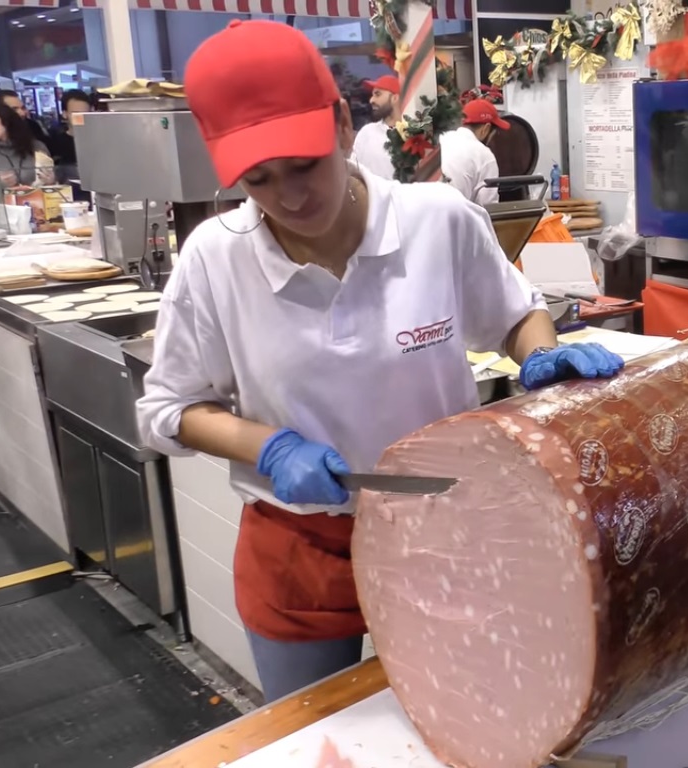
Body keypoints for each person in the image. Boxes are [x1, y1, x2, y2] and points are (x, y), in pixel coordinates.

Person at [136, 20, 624, 702]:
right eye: (259, 179)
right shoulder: (216, 258)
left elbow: (515, 315)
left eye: (303, 165)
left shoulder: (436, 220)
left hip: (445, 527)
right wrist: (270, 447)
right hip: (300, 549)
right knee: (316, 735)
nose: (290, 197)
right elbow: (168, 410)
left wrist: (541, 355)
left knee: (466, 715)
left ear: (341, 125)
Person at [0, 103, 50, 225]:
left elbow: (52, 183)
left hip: (39, 214)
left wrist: (50, 181)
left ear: (6, 119)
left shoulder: (36, 146)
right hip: (5, 219)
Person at [439, 99, 509, 206]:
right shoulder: (484, 155)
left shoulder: (443, 138)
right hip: (454, 214)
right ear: (486, 129)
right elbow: (488, 207)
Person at [350, 74, 400, 180]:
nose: (371, 100)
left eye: (377, 94)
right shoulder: (366, 132)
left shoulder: (414, 135)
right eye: (372, 95)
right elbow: (353, 172)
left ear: (395, 98)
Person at [46, 89, 91, 181]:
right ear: (65, 114)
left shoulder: (99, 141)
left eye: (85, 113)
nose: (81, 117)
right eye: (75, 113)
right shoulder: (54, 143)